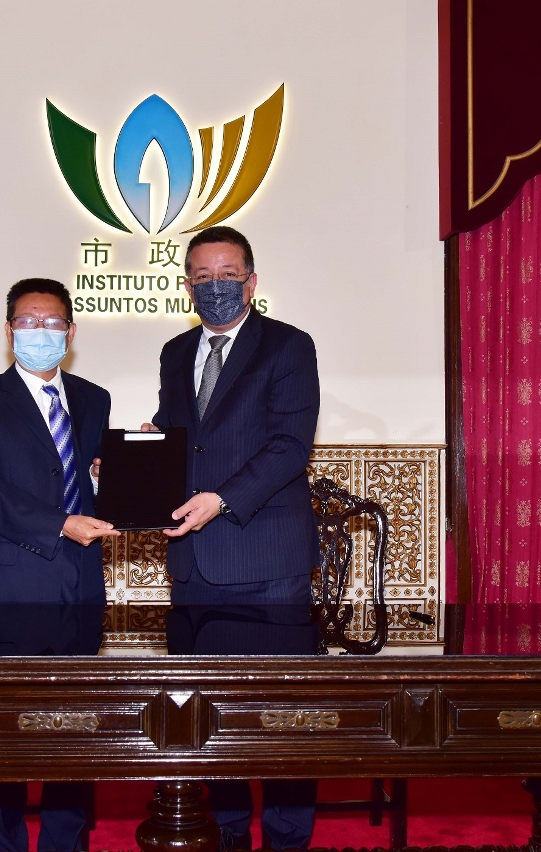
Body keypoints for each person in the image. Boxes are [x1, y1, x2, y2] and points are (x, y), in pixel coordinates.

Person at [143, 226, 321, 850]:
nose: (214, 286)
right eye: (202, 277)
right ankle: (225, 834)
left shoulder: (288, 346)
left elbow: (289, 447)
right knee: (208, 717)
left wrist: (221, 499)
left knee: (278, 717)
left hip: (265, 559)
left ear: (251, 281)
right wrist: (137, 462)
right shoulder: (175, 352)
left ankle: (286, 840)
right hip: (194, 564)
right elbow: (178, 435)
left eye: (227, 275)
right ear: (187, 284)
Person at [0, 277, 117, 852]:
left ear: (70, 332)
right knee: (3, 730)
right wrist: (60, 523)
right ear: (8, 330)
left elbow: (93, 481)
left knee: (75, 726)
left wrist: (126, 471)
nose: (39, 332)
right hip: (8, 588)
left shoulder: (94, 399)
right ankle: (3, 844)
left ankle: (66, 842)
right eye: (27, 322)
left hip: (81, 584)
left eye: (51, 323)